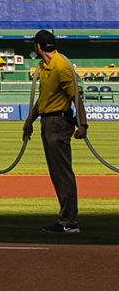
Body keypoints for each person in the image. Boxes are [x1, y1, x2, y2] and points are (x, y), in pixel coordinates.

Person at [25, 28, 88, 234]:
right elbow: (43, 98)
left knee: (62, 174)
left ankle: (68, 222)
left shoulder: (62, 67)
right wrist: (30, 121)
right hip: (47, 121)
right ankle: (66, 219)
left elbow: (76, 97)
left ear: (38, 46)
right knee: (57, 173)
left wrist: (83, 125)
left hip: (58, 123)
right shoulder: (44, 67)